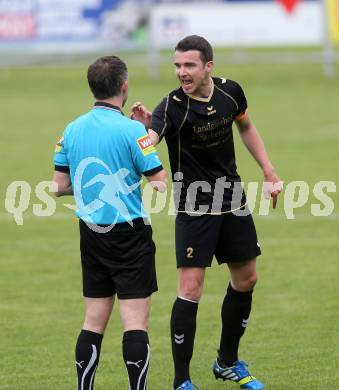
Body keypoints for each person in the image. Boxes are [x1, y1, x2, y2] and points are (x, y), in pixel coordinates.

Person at [131, 35, 282, 390]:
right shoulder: (170, 106)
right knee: (191, 288)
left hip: (232, 199)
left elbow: (245, 125)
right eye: (177, 66)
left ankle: (227, 362)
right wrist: (141, 129)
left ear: (208, 66)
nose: (181, 72)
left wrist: (269, 171)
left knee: (247, 280)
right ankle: (181, 380)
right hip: (194, 206)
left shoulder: (231, 93)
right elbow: (149, 142)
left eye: (189, 65)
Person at [52, 55, 167, 390]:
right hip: (130, 235)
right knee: (135, 323)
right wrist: (145, 135)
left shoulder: (70, 129)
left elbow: (58, 187)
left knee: (93, 321)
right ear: (124, 86)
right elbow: (160, 183)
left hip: (90, 234)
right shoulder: (134, 131)